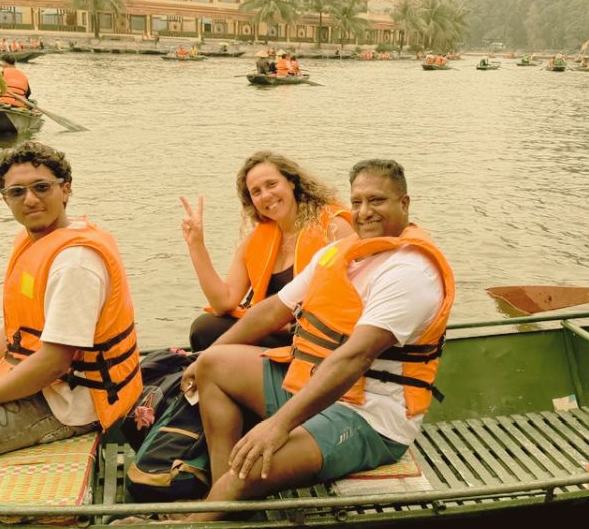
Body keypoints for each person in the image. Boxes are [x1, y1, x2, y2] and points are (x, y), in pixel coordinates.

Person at [178, 159, 454, 521]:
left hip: (368, 418)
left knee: (249, 467)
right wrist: (203, 358)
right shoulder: (341, 253)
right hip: (312, 386)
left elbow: (353, 358)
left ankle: (197, 516)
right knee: (214, 365)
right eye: (356, 202)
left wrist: (277, 426)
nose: (364, 212)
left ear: (404, 203)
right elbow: (273, 309)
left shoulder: (410, 271)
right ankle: (224, 500)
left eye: (377, 201)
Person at [0, 142, 142, 504]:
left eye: (41, 187)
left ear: (66, 189)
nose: (30, 199)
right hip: (43, 381)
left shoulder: (74, 262)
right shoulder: (35, 241)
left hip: (74, 402)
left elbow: (53, 362)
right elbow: (15, 330)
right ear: (5, 199)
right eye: (17, 192)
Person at [180, 151, 354, 351]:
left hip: (313, 335)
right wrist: (196, 245)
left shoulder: (333, 228)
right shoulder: (255, 240)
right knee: (205, 328)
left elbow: (351, 296)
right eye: (256, 192)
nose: (266, 196)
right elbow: (223, 303)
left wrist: (287, 325)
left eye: (271, 184)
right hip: (267, 328)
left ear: (292, 182)